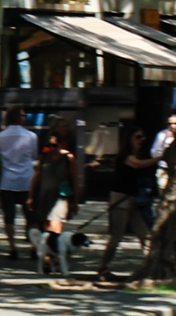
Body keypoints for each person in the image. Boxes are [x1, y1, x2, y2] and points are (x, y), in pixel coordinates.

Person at [96, 123, 160, 281]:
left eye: (143, 137)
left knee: (145, 234)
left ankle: (150, 267)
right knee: (117, 235)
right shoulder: (125, 156)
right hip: (120, 198)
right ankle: (103, 267)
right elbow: (137, 165)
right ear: (129, 138)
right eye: (138, 137)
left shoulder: (140, 154)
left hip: (135, 199)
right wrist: (160, 158)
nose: (141, 140)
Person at [31, 116, 82, 277]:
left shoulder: (68, 158)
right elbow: (37, 176)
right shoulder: (44, 157)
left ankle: (56, 261)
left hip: (60, 199)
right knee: (46, 231)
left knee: (55, 229)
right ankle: (50, 260)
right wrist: (31, 195)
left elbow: (75, 179)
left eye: (55, 145)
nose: (51, 148)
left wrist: (75, 200)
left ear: (60, 143)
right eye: (49, 145)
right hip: (45, 198)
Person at [0, 114, 38, 258]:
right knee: (31, 217)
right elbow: (34, 156)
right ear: (21, 118)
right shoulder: (31, 136)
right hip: (27, 180)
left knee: (9, 217)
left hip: (7, 180)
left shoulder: (0, 136)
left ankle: (13, 248)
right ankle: (34, 247)